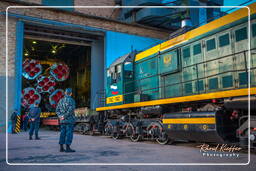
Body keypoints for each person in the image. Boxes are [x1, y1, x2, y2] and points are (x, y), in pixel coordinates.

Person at [56, 88, 76, 153]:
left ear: (65, 93)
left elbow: (57, 110)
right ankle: (68, 148)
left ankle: (61, 148)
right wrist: (64, 116)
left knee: (62, 133)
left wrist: (60, 116)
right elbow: (71, 110)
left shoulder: (61, 100)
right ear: (71, 93)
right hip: (69, 120)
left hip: (62, 120)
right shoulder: (71, 100)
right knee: (69, 133)